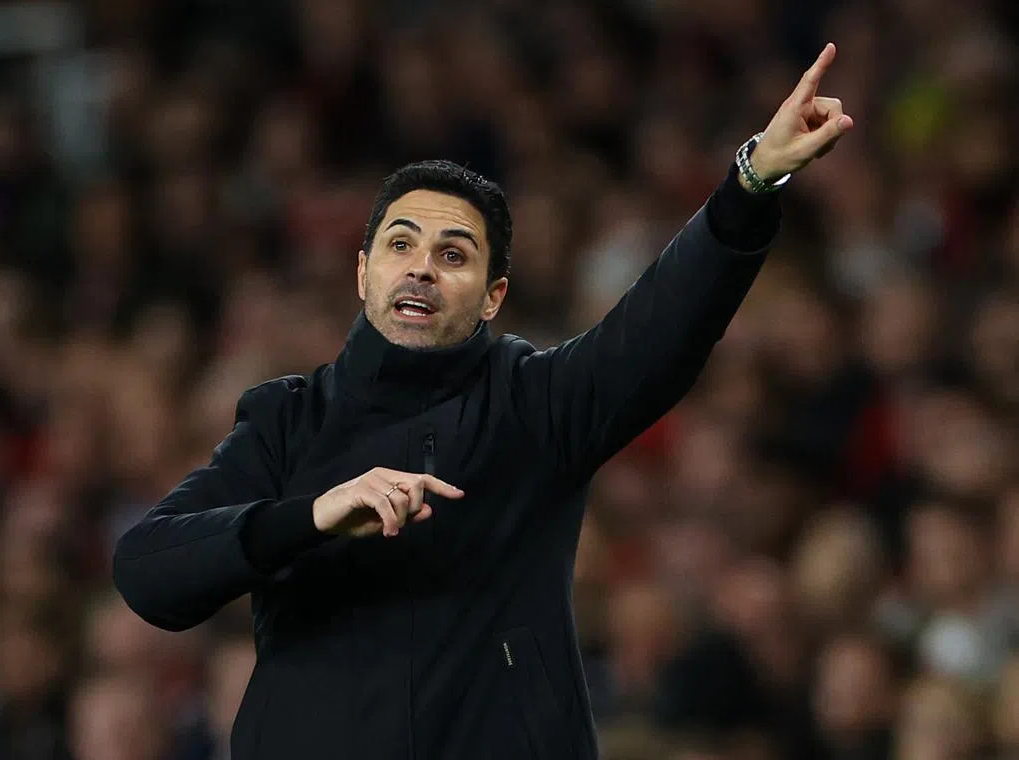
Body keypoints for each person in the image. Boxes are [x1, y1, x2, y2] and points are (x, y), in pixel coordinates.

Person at [113, 43, 853, 760]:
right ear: (364, 272)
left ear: (494, 295)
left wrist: (752, 181)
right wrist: (311, 516)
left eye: (454, 254)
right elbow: (149, 571)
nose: (423, 269)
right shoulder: (284, 421)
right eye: (401, 245)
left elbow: (664, 323)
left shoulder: (538, 405)